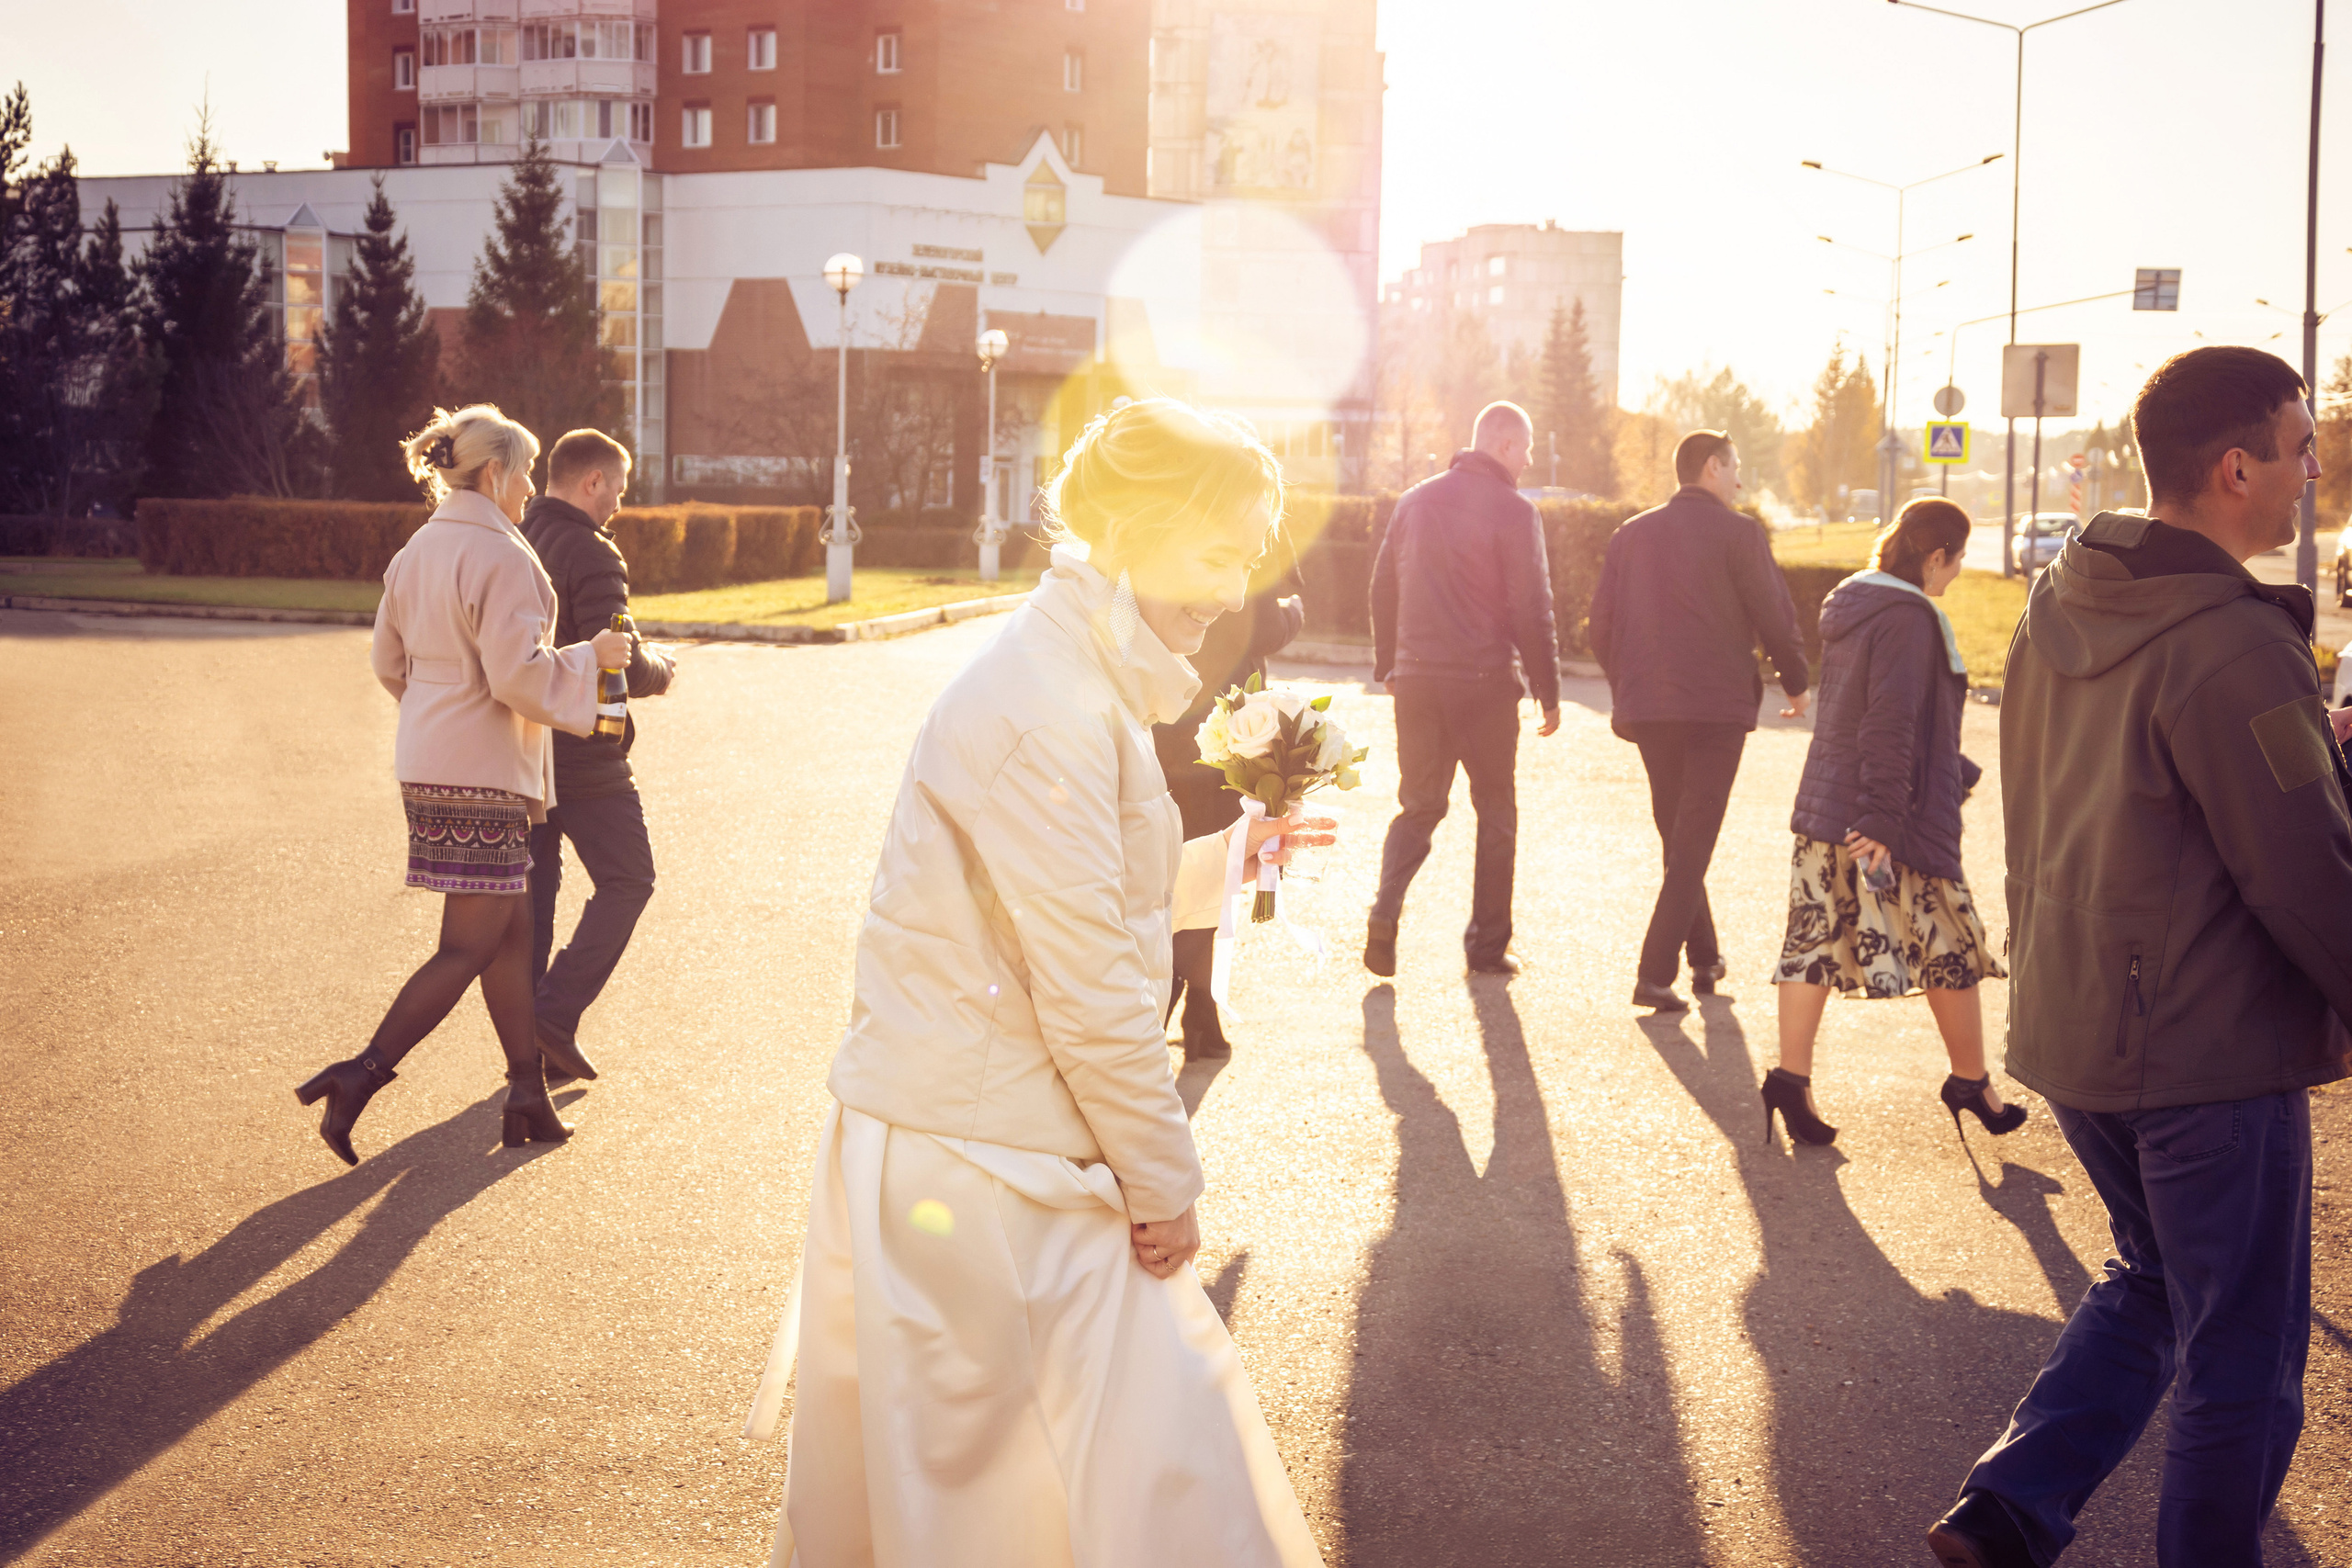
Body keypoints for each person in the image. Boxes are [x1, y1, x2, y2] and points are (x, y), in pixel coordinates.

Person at [742, 399, 1335, 1567]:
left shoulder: (1074, 675)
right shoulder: (1047, 703)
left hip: (994, 1142)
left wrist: (1229, 857)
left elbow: (1080, 903)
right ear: (1134, 532)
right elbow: (1089, 986)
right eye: (1217, 553)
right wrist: (1166, 1181)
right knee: (1041, 1502)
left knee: (1082, 1491)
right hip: (979, 1172)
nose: (1232, 589)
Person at [1928, 345, 2352, 1568]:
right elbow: (2309, 874)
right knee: (2247, 1359)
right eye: (2298, 446)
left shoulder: (2073, 595)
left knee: (2155, 1277)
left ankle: (2008, 1507)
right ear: (2236, 468)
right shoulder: (2233, 645)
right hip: (2205, 1052)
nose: (2310, 470)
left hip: (2077, 1027)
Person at [296, 405, 628, 1164]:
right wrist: (594, 654)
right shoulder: (504, 556)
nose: (530, 490)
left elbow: (388, 661)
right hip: (483, 771)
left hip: (434, 760)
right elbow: (518, 675)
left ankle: (525, 1092)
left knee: (509, 934)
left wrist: (437, 711)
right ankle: (360, 1074)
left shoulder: (418, 550)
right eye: (525, 475)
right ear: (494, 473)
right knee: (468, 944)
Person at [1761, 497, 2018, 1148]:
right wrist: (1881, 815)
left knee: (1813, 939)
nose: (1956, 575)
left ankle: (1791, 1080)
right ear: (1936, 557)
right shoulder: (1908, 617)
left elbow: (1864, 710)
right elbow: (1890, 718)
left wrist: (1946, 767)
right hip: (1886, 815)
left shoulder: (1857, 604)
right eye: (1956, 561)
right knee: (1950, 940)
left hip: (1829, 806)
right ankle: (1971, 1081)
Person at [1589, 428, 1810, 1012]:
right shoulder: (1739, 533)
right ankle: (1654, 972)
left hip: (1650, 709)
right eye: (1735, 468)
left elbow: (1599, 628)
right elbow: (1772, 609)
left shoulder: (1630, 535)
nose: (1740, 481)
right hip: (1715, 711)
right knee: (1691, 840)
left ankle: (1705, 959)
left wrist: (1626, 684)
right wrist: (1796, 679)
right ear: (1712, 467)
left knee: (1681, 835)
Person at [1364, 400, 1561, 979]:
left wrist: (1391, 668)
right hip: (1485, 686)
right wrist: (1548, 691)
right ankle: (1486, 947)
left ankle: (1385, 911)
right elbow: (1533, 608)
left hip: (1419, 681)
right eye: (1525, 448)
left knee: (1419, 806)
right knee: (1495, 809)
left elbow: (1381, 587)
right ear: (1503, 445)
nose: (1528, 459)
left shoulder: (1414, 501)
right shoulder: (1515, 512)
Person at [519, 428, 676, 1086]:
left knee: (538, 892)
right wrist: (660, 667)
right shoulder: (592, 552)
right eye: (616, 486)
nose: (618, 500)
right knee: (628, 878)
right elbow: (616, 662)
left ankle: (525, 1044)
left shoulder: (518, 537)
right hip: (586, 752)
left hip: (524, 743)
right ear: (591, 481)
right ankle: (551, 1017)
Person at [1151, 570, 1306, 1061]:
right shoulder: (1240, 545)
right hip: (1225, 727)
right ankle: (1169, 1014)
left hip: (1171, 721)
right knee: (1206, 870)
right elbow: (1261, 627)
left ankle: (1200, 1012)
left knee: (1187, 864)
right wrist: (1294, 613)